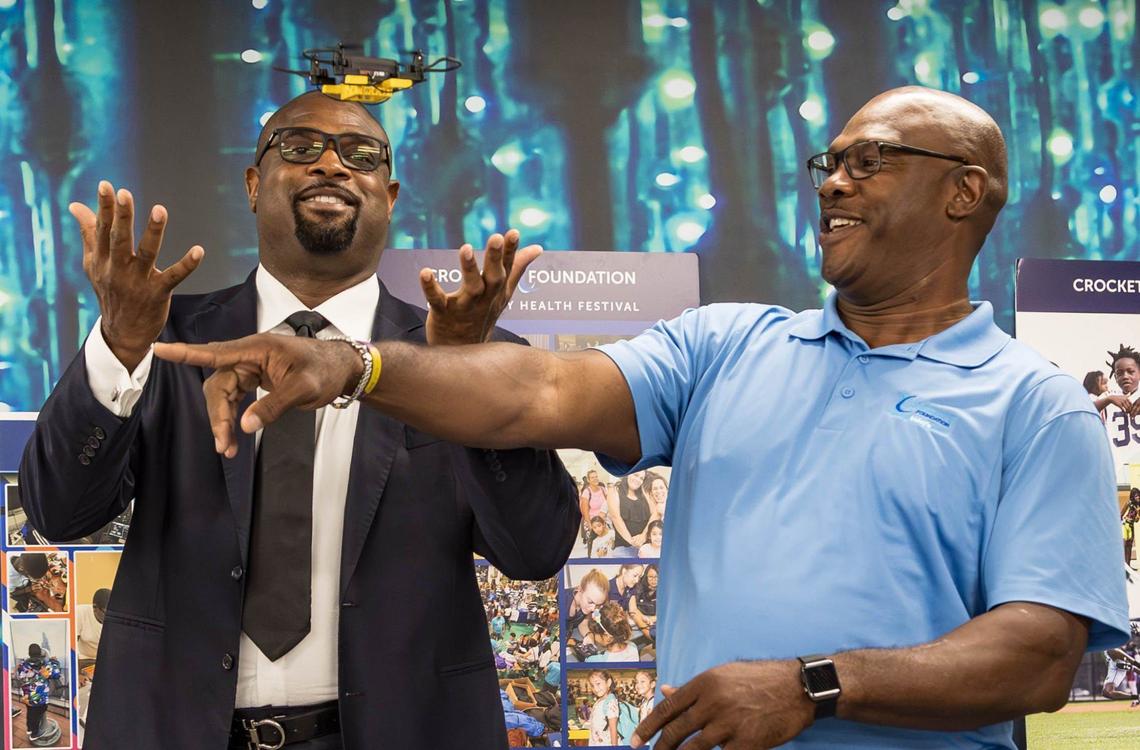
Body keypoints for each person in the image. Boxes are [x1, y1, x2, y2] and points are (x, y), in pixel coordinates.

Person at [156, 86, 1129, 748]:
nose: (833, 181)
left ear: (965, 191)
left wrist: (812, 686)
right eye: (829, 160)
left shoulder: (1034, 409)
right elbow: (539, 393)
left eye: (872, 161)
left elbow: (1039, 655)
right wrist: (355, 364)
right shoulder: (726, 346)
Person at [18, 90, 579, 750]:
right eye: (301, 147)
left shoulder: (459, 353)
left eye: (360, 154)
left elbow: (534, 549)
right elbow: (58, 511)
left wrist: (465, 379)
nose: (333, 165)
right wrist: (118, 343)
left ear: (390, 196)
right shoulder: (166, 340)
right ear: (255, 185)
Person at [1102, 345, 1140, 487]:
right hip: (1120, 468)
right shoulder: (1108, 396)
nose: (1125, 376)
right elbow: (1085, 409)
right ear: (1115, 376)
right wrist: (1108, 400)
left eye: (1131, 371)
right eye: (1119, 373)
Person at [16, 644, 63, 743]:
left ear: (29, 654)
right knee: (37, 714)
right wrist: (54, 661)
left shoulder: (22, 665)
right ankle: (35, 733)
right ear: (40, 653)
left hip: (27, 696)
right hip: (39, 697)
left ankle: (29, 729)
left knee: (30, 713)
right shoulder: (45, 666)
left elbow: (19, 675)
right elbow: (56, 673)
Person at [606, 469, 653, 556]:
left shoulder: (644, 493)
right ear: (628, 474)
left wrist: (643, 536)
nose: (637, 479)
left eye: (641, 478)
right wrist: (632, 542)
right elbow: (615, 517)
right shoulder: (615, 491)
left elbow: (653, 515)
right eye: (635, 475)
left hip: (646, 545)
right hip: (624, 546)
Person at [566, 568, 610, 644]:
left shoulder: (586, 607)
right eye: (590, 602)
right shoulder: (562, 601)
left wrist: (589, 635)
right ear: (580, 589)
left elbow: (583, 623)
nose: (593, 609)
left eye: (598, 605)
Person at [76, 587, 111, 665]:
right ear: (95, 608)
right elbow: (71, 645)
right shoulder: (80, 613)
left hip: (106, 661)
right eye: (106, 613)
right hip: (82, 659)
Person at [1124, 489, 1140, 569]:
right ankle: (1123, 566)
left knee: (1129, 546)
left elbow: (1137, 520)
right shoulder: (1129, 503)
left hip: (1131, 526)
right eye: (1136, 495)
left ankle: (1128, 566)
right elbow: (1121, 514)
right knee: (1124, 544)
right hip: (1125, 525)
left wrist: (1138, 515)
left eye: (1139, 495)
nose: (1138, 497)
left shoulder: (1139, 506)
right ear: (1133, 496)